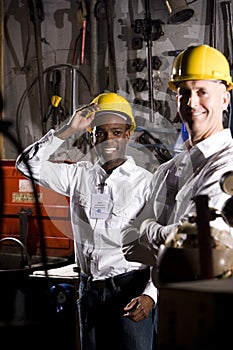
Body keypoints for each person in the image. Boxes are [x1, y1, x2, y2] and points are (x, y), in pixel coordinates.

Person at [15, 92, 157, 350]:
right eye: (100, 133)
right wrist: (68, 129)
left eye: (116, 132)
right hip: (89, 292)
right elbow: (26, 164)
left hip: (130, 291)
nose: (108, 140)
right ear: (91, 136)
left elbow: (161, 248)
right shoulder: (78, 176)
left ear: (129, 135)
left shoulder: (146, 183)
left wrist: (150, 295)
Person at [122, 44, 233, 283]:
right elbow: (127, 244)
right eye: (184, 92)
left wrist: (147, 229)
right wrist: (164, 238)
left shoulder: (227, 167)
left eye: (202, 91)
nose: (192, 103)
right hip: (173, 308)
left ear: (224, 99)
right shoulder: (168, 170)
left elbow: (189, 251)